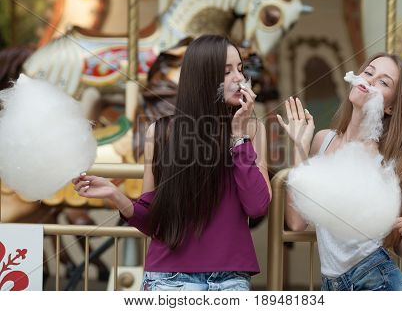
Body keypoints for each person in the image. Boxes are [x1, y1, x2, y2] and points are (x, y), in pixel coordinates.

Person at [72, 35, 271, 291]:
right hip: (168, 279)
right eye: (226, 71)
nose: (239, 79)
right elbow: (153, 221)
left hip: (230, 280)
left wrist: (238, 138)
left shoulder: (253, 131)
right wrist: (115, 194)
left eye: (240, 69)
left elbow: (257, 207)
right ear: (203, 78)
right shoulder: (161, 132)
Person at [277, 53, 402, 291]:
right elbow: (295, 222)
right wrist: (300, 146)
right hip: (332, 285)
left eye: (383, 82)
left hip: (378, 280)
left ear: (391, 106)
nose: (370, 81)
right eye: (369, 73)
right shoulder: (322, 141)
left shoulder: (386, 161)